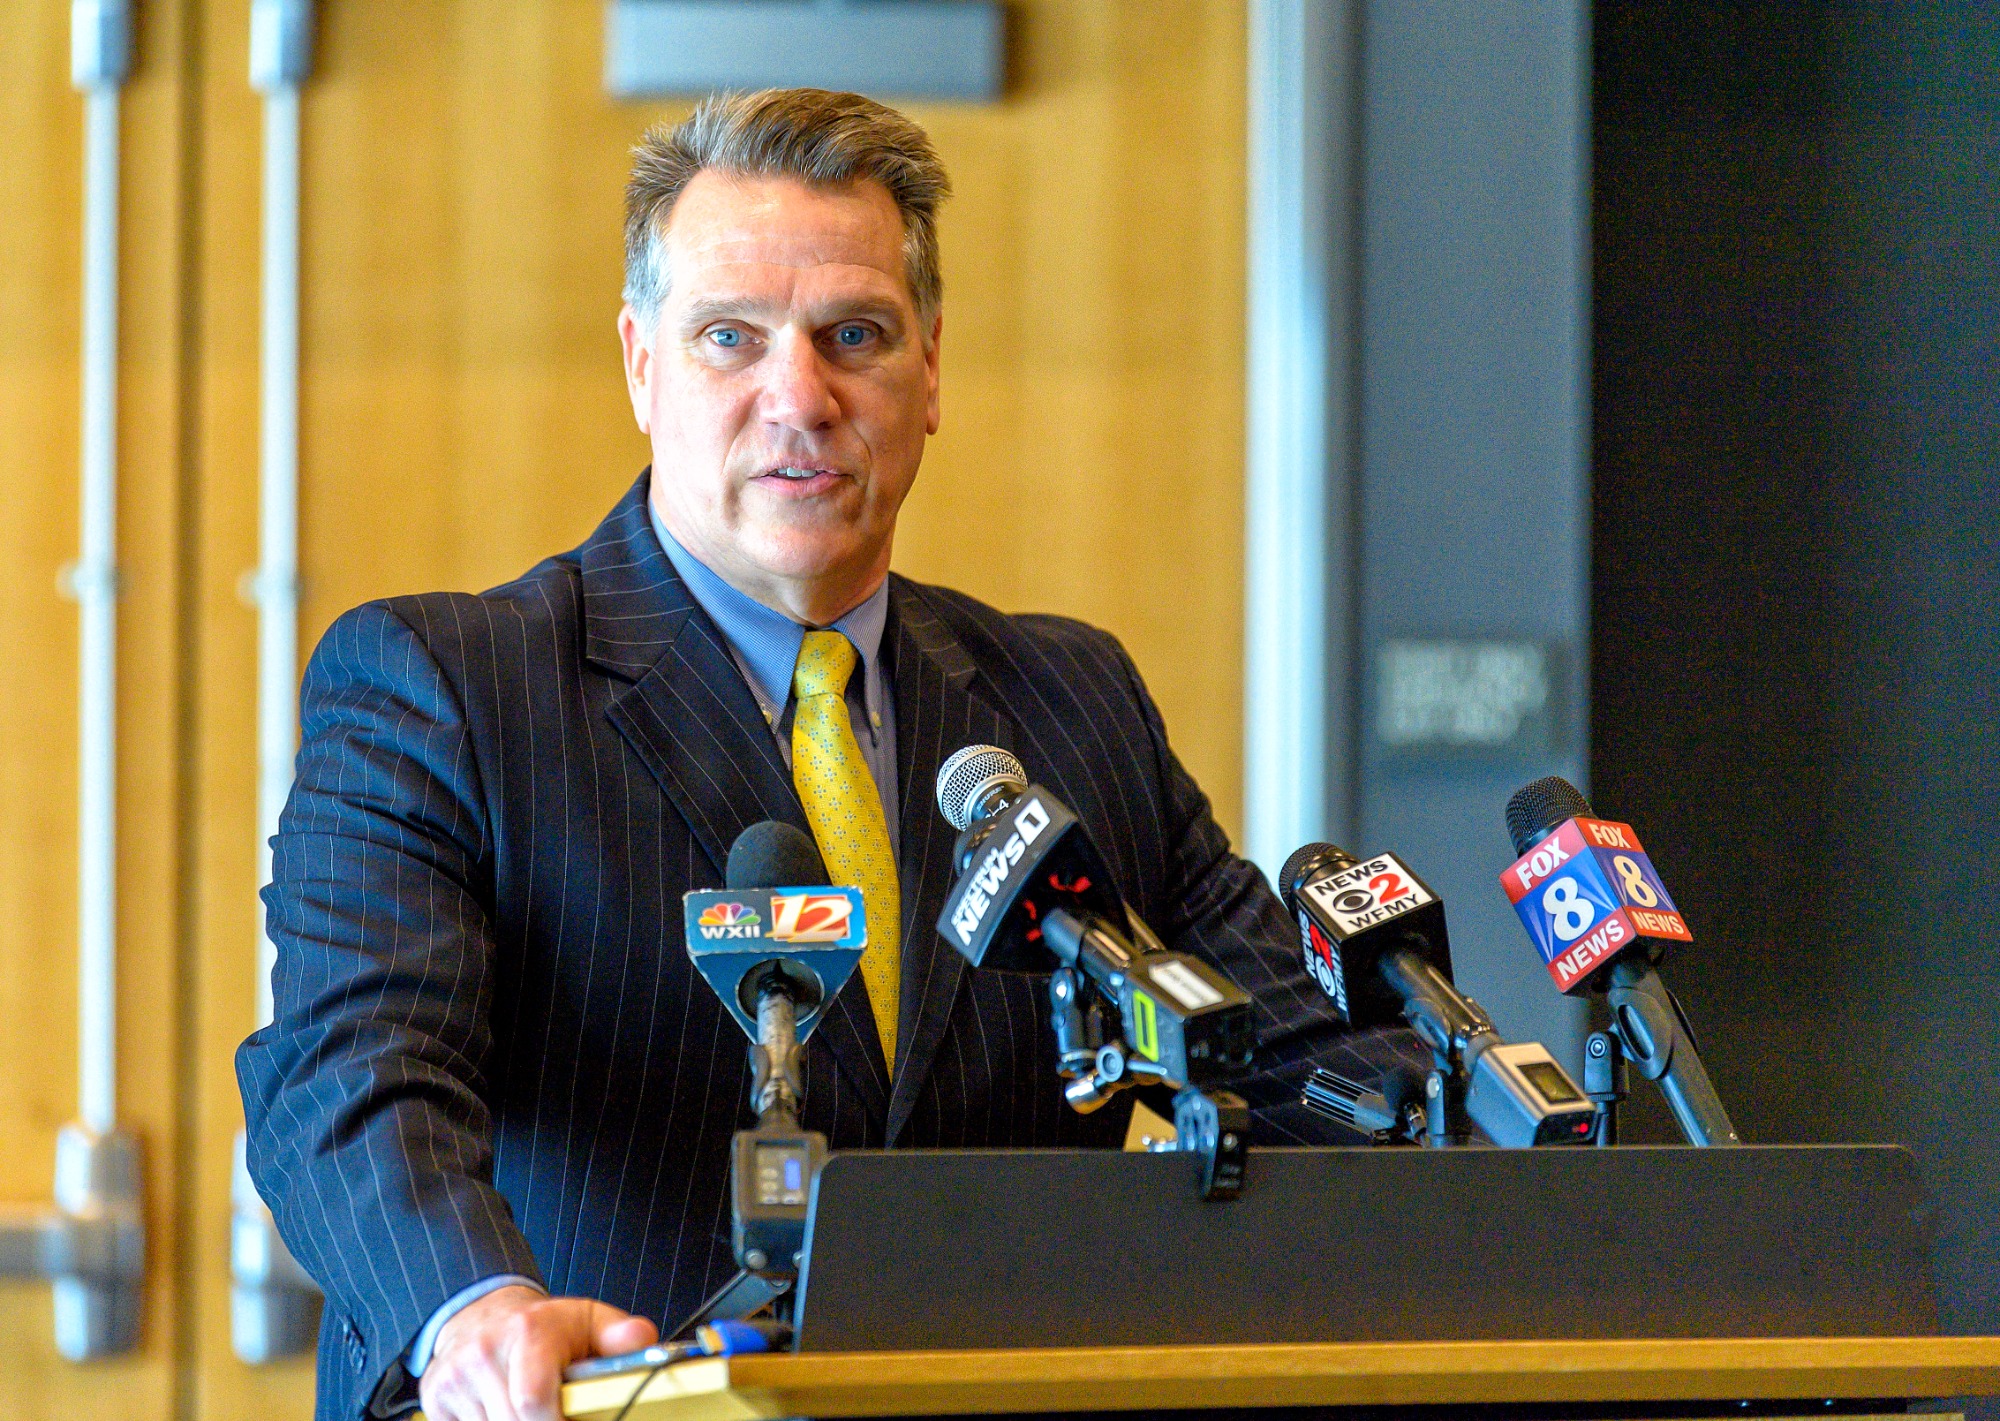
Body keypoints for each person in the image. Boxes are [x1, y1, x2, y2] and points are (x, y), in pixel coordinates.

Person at [237, 89, 1413, 1421]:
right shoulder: (448, 686)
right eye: (730, 338)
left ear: (929, 371)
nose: (797, 394)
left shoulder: (1072, 700)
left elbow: (1293, 1061)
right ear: (641, 365)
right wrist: (475, 1310)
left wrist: (1477, 1151)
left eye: (853, 335)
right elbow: (356, 1069)